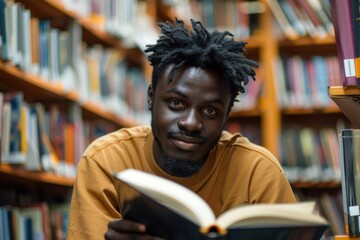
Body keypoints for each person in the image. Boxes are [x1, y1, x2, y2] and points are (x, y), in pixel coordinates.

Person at [66, 18, 296, 240]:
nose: (191, 123)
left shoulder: (257, 172)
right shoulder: (105, 162)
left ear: (226, 116)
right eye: (176, 103)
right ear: (150, 97)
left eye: (210, 112)